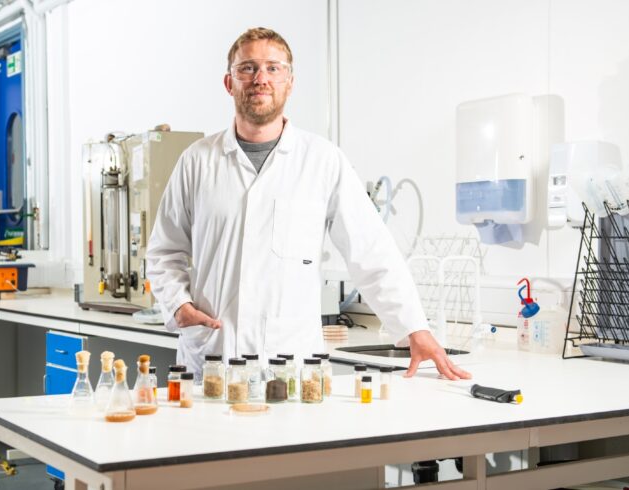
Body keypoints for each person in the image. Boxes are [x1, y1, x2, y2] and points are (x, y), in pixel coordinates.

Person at [146, 27, 470, 381]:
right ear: (229, 82)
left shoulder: (322, 160)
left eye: (273, 68)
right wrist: (178, 306)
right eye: (248, 68)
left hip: (294, 365)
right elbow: (164, 251)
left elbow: (371, 250)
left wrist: (414, 328)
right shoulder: (197, 161)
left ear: (290, 82)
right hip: (213, 357)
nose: (261, 79)